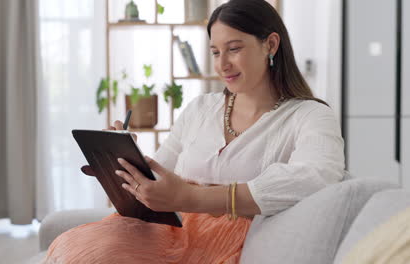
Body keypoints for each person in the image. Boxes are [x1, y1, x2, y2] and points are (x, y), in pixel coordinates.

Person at [44, 0, 346, 263]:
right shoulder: (201, 109)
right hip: (164, 232)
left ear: (270, 44)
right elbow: (162, 179)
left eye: (234, 48)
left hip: (221, 244)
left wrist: (193, 197)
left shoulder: (309, 115)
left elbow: (317, 177)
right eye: (215, 52)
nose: (222, 64)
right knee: (76, 249)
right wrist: (125, 167)